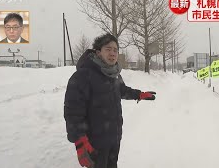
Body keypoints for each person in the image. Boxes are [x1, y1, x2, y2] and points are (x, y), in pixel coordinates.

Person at [64, 33, 156, 168]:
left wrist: (139, 95)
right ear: (98, 52)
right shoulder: (84, 75)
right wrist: (80, 141)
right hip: (94, 144)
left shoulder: (113, 74)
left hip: (114, 138)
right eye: (108, 49)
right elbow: (73, 111)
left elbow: (122, 90)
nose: (112, 53)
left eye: (115, 50)